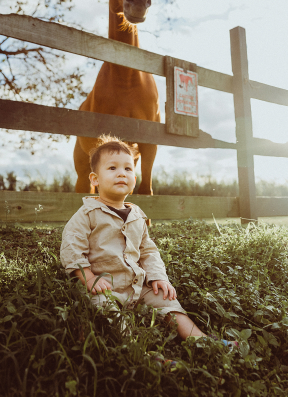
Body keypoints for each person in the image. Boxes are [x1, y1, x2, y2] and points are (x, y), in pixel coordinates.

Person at [60, 135, 237, 347]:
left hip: (138, 286)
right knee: (106, 310)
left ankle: (203, 341)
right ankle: (142, 354)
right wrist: (88, 278)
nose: (121, 174)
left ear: (134, 178)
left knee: (166, 300)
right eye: (112, 168)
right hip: (105, 287)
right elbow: (72, 248)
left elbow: (148, 251)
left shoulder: (137, 215)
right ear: (95, 179)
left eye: (128, 169)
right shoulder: (87, 214)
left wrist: (157, 277)